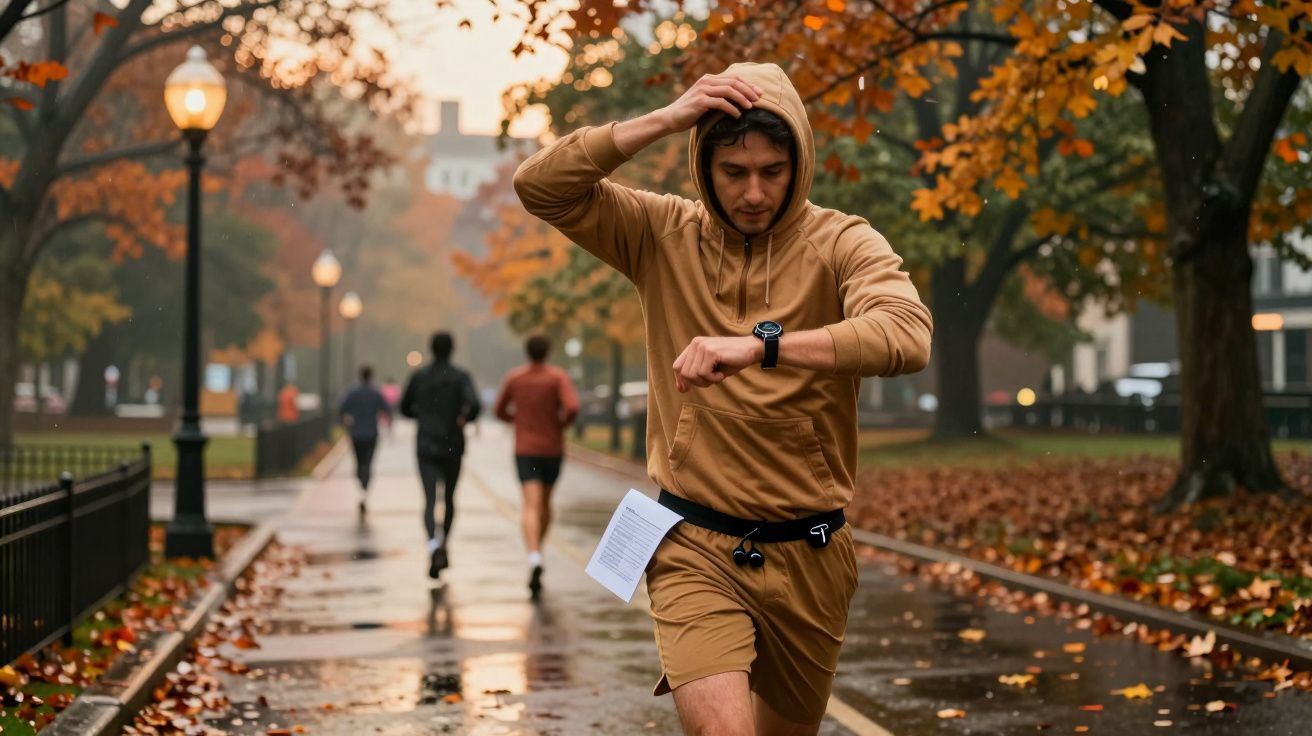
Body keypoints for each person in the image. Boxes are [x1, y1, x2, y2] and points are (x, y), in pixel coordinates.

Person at [514, 63, 932, 735]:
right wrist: (667, 118)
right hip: (693, 544)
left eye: (773, 170)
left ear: (800, 162)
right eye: (734, 171)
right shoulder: (658, 233)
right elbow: (540, 186)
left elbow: (907, 335)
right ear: (703, 164)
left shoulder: (842, 242)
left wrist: (764, 345)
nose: (755, 192)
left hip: (813, 554)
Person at [493, 334, 580, 598]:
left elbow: (498, 410)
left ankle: (533, 556)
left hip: (526, 450)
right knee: (545, 504)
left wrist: (516, 420)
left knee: (530, 505)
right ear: (548, 351)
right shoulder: (557, 377)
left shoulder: (515, 378)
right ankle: (537, 551)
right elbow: (573, 406)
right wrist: (561, 424)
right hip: (552, 449)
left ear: (527, 352)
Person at [400, 332, 482, 579]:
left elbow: (404, 407)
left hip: (426, 444)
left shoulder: (419, 376)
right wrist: (463, 418)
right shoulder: (460, 377)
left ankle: (432, 545)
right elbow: (475, 404)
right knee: (449, 497)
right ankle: (444, 540)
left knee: (428, 499)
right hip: (452, 444)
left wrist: (422, 416)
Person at [339, 365, 391, 514]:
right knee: (368, 462)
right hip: (371, 434)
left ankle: (361, 481)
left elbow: (342, 409)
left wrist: (345, 421)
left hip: (356, 433)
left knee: (359, 461)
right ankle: (365, 483)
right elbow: (386, 409)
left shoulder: (352, 392)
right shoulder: (376, 392)